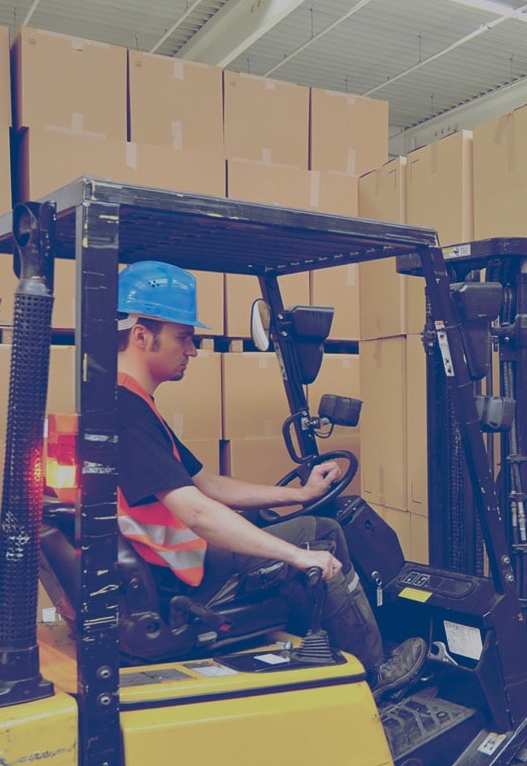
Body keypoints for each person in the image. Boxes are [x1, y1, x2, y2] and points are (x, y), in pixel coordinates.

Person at [114, 259, 426, 696]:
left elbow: (209, 484)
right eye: (184, 337)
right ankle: (377, 673)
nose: (193, 350)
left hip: (174, 567)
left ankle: (322, 654)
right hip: (184, 580)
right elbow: (199, 511)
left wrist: (299, 494)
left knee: (287, 526)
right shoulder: (126, 413)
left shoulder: (133, 405)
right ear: (143, 335)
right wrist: (299, 556)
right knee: (322, 537)